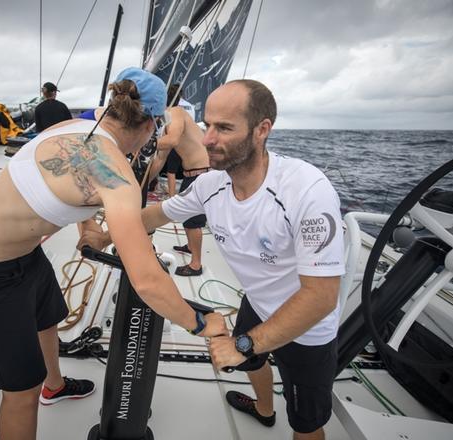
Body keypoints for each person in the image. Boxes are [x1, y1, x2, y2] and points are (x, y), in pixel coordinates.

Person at [0, 67, 227, 440]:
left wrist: (90, 229)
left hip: (25, 256)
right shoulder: (118, 177)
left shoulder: (70, 125)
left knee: (47, 321)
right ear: (150, 127)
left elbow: (73, 185)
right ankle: (40, 389)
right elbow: (145, 279)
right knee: (19, 393)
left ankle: (55, 385)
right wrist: (201, 323)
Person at [140, 79, 344, 440]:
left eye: (224, 128)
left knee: (306, 424)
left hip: (308, 327)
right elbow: (158, 215)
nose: (206, 140)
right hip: (257, 299)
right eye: (206, 125)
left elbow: (321, 297)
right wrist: (106, 229)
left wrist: (242, 344)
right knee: (254, 361)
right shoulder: (210, 184)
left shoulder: (306, 190)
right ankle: (264, 409)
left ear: (262, 130)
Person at [147, 84, 210, 276]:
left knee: (192, 220)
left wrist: (142, 143)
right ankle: (191, 247)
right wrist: (143, 182)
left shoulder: (176, 112)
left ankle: (196, 265)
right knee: (187, 217)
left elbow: (173, 141)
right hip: (194, 173)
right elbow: (161, 158)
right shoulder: (168, 122)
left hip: (203, 173)